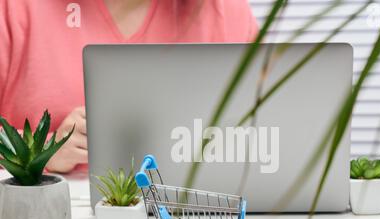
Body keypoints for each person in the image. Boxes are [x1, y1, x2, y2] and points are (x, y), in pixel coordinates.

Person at [0, 0, 259, 173]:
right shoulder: (16, 9)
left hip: (189, 218)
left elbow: (270, 135)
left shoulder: (224, 11)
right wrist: (41, 152)